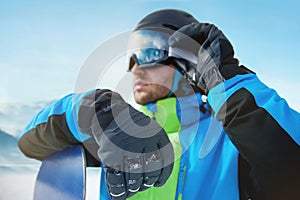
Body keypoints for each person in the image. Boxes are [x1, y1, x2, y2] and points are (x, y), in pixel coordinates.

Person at [18, 9, 300, 200]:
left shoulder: (231, 141)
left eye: (148, 51)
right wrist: (93, 113)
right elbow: (30, 144)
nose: (135, 69)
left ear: (188, 61)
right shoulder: (114, 132)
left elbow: (291, 165)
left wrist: (225, 79)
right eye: (132, 58)